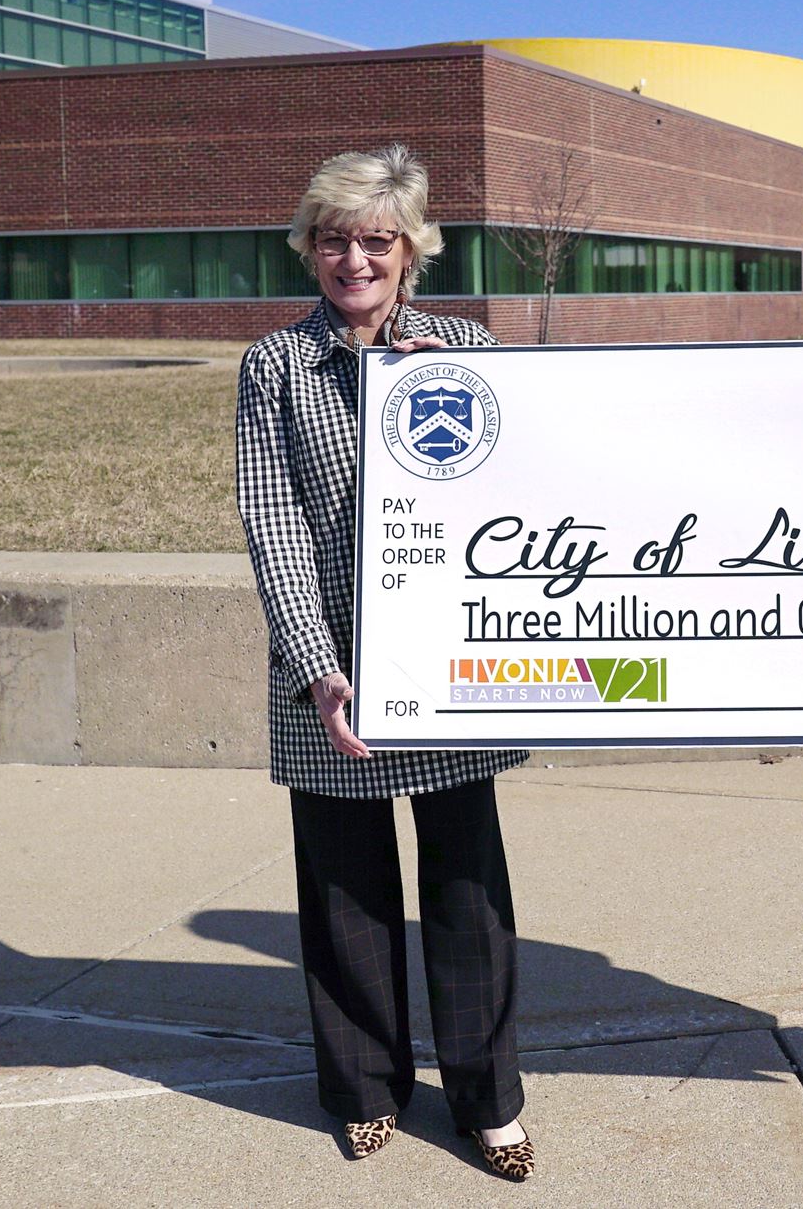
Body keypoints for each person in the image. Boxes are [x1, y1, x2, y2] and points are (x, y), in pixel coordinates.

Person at [235, 146, 535, 1182]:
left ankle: (489, 1100)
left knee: (466, 891)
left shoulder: (465, 350)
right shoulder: (274, 365)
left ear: (412, 248)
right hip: (332, 678)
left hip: (444, 668)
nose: (351, 258)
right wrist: (319, 670)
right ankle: (363, 1091)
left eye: (374, 238)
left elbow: (522, 493)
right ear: (308, 247)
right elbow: (271, 523)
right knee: (346, 896)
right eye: (332, 237)